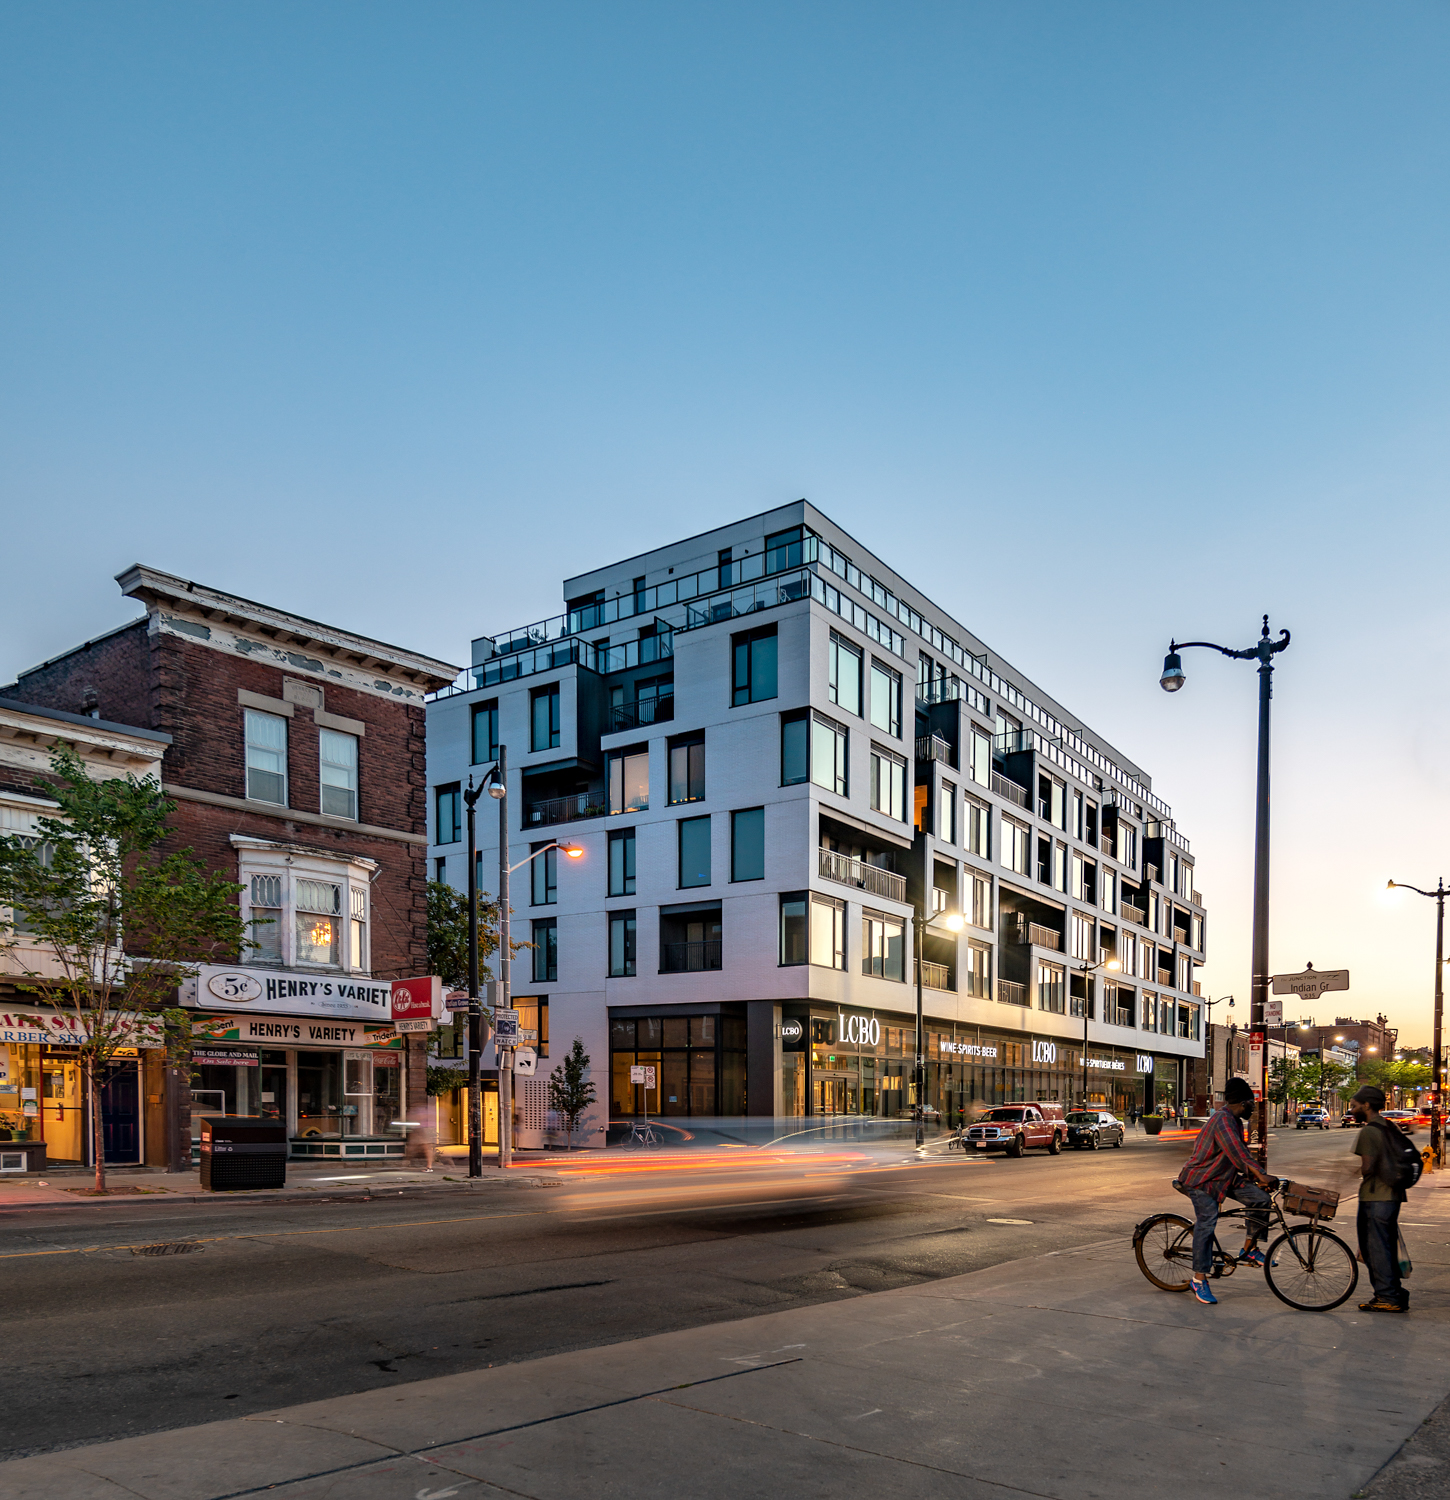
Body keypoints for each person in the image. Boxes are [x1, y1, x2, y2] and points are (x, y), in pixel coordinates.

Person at [1176, 1077, 1277, 1305]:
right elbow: (1237, 1152)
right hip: (1202, 1179)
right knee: (1207, 1223)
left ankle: (1249, 1249)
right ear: (1242, 1103)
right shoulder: (1222, 1120)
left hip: (1224, 1177)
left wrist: (1258, 1177)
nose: (1253, 1108)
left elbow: (1240, 1155)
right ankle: (1199, 1279)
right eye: (1252, 1103)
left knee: (1261, 1199)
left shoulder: (1235, 1120)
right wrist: (1261, 1175)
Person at [1350, 1085, 1409, 1313]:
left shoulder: (1369, 1131)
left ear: (1366, 1105)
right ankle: (1394, 1293)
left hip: (1376, 1197)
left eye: (1354, 1106)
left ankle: (1388, 1296)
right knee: (1385, 1246)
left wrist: (1354, 1173)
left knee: (1376, 1249)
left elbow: (1368, 1167)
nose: (1352, 1110)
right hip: (1392, 1195)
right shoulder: (1389, 1125)